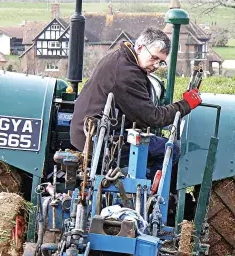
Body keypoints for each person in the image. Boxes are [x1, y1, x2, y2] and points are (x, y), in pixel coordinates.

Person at [70, 27, 202, 178]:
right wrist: (186, 104)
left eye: (161, 61)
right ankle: (155, 196)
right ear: (140, 48)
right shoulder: (126, 73)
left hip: (93, 133)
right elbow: (153, 117)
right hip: (97, 141)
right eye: (154, 58)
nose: (156, 65)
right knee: (171, 150)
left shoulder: (122, 57)